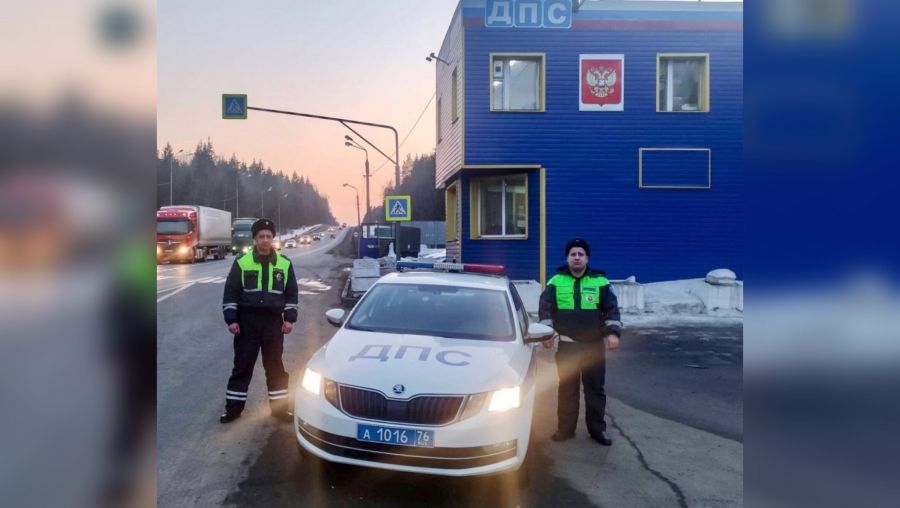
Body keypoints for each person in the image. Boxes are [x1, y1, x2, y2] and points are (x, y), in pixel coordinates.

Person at [539, 237, 623, 445]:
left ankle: (597, 431)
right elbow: (546, 310)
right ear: (567, 258)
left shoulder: (600, 281)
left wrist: (612, 333)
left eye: (580, 254)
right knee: (567, 389)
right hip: (567, 345)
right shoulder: (556, 281)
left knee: (595, 390)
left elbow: (611, 309)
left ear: (587, 258)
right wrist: (546, 334)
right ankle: (565, 429)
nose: (577, 258)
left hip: (593, 346)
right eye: (573, 254)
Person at [220, 219, 299, 423]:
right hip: (247, 324)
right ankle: (233, 410)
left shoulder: (284, 263)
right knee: (242, 367)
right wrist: (232, 319)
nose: (265, 240)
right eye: (261, 236)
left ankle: (280, 409)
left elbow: (291, 295)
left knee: (275, 367)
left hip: (273, 324)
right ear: (255, 239)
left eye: (268, 236)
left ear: (273, 238)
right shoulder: (242, 262)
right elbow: (231, 293)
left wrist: (289, 319)